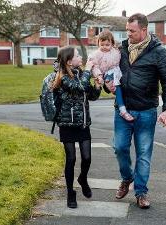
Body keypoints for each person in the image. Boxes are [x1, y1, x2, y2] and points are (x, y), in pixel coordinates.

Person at [105, 13, 166, 209]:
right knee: (119, 147)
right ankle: (127, 178)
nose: (128, 34)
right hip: (123, 110)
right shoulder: (120, 50)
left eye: (132, 31)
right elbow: (110, 74)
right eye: (127, 30)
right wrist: (107, 85)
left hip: (146, 111)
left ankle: (141, 192)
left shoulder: (159, 51)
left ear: (144, 30)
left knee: (144, 153)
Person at [52, 46, 102, 208]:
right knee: (71, 159)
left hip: (82, 123)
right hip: (67, 124)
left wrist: (98, 86)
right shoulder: (62, 77)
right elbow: (78, 87)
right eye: (77, 55)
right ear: (69, 61)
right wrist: (88, 71)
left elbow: (92, 96)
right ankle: (70, 193)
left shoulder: (81, 74)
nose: (81, 56)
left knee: (87, 157)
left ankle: (83, 178)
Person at [88, 30, 134, 121]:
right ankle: (122, 109)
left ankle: (127, 104)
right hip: (106, 74)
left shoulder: (116, 51)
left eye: (107, 45)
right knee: (117, 89)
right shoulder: (96, 54)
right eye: (102, 45)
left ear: (112, 43)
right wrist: (99, 76)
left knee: (126, 85)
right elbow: (95, 67)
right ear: (98, 43)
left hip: (117, 72)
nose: (104, 47)